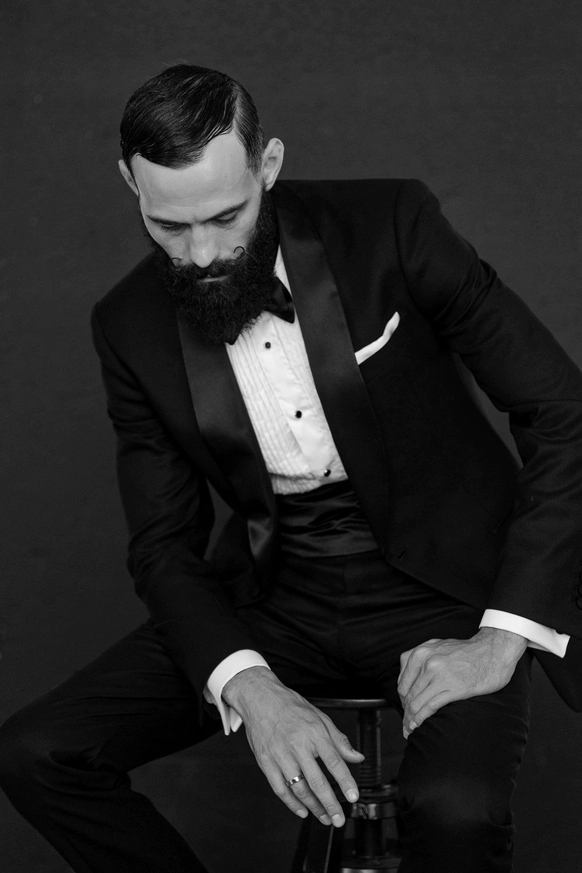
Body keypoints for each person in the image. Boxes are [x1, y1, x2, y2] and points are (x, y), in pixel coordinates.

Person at [1, 63, 582, 873]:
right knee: (37, 751)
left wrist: (500, 637)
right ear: (131, 184)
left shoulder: (391, 224)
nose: (202, 254)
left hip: (444, 586)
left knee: (456, 810)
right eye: (169, 225)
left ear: (267, 165)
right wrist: (250, 686)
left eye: (226, 216)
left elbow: (562, 412)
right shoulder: (127, 323)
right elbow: (163, 545)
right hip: (276, 597)